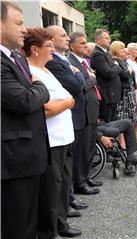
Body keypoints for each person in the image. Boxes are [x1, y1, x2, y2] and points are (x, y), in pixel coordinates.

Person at [1, 2, 50, 238]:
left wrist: (35, 90)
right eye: (18, 23)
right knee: (17, 226)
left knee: (30, 221)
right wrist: (40, 87)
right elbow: (24, 101)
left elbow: (31, 94)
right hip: (13, 161)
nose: (24, 29)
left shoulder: (14, 58)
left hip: (29, 155)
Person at [23, 27, 77, 239]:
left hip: (63, 137)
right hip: (50, 140)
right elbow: (46, 109)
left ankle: (61, 223)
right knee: (50, 189)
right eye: (49, 46)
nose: (52, 51)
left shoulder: (46, 70)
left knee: (63, 184)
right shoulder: (31, 73)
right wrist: (68, 102)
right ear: (35, 50)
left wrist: (64, 102)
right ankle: (49, 231)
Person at [45, 25, 89, 237]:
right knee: (59, 176)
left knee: (66, 171)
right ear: (50, 41)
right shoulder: (52, 63)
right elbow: (74, 86)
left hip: (69, 124)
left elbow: (79, 82)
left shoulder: (62, 61)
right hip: (58, 130)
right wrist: (80, 75)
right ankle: (60, 218)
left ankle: (66, 207)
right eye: (62, 35)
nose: (66, 37)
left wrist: (79, 76)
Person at [68, 31, 103, 191]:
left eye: (85, 42)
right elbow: (80, 86)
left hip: (91, 110)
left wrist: (89, 79)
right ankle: (80, 182)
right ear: (72, 46)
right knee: (81, 150)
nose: (85, 46)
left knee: (89, 148)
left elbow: (86, 82)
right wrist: (92, 78)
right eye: (81, 43)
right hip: (81, 112)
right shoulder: (71, 62)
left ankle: (86, 177)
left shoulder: (83, 62)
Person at [110, 41, 137, 146]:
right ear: (116, 50)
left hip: (130, 90)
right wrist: (128, 71)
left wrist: (129, 71)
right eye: (122, 49)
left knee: (132, 116)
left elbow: (130, 74)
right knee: (122, 117)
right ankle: (122, 142)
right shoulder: (115, 61)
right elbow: (124, 74)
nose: (124, 51)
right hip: (123, 93)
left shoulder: (123, 61)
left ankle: (132, 139)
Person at [90, 29, 122, 122]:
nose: (109, 40)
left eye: (109, 38)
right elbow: (109, 73)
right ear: (98, 40)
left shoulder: (105, 53)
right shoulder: (97, 54)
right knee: (109, 123)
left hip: (112, 94)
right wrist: (117, 66)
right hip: (107, 95)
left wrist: (115, 66)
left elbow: (112, 70)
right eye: (106, 38)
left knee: (114, 122)